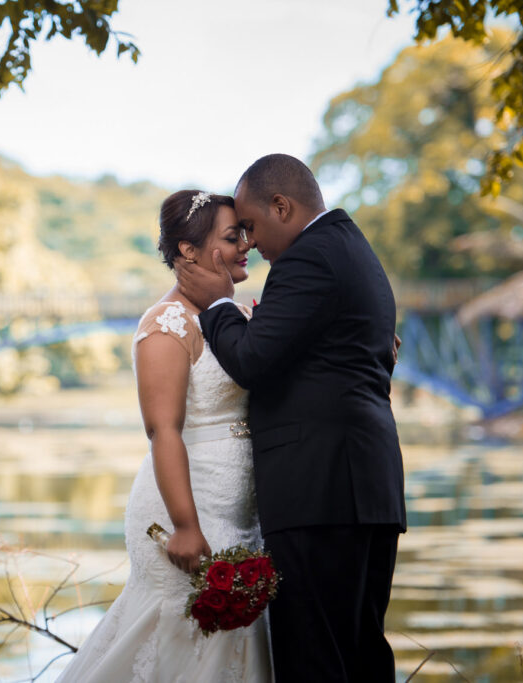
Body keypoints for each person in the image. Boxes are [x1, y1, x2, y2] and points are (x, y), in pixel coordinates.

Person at [175, 153, 407, 682]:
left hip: (320, 491)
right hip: (363, 486)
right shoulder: (351, 247)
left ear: (283, 206)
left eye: (252, 226)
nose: (250, 243)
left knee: (315, 662)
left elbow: (252, 360)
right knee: (361, 656)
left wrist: (218, 307)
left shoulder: (308, 258)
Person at [57, 190, 272, 681]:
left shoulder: (235, 316)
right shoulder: (166, 324)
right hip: (186, 505)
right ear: (188, 251)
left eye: (244, 235)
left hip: (241, 510)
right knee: (181, 638)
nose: (246, 246)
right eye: (231, 236)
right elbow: (162, 430)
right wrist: (186, 525)